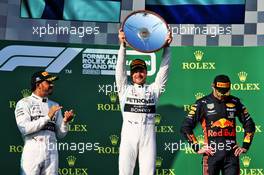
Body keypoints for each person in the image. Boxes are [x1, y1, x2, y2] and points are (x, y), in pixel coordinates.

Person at [116, 29, 172, 175]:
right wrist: (122, 46)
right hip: (129, 135)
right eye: (135, 71)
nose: (138, 74)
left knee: (149, 172)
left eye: (141, 71)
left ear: (146, 73)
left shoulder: (154, 89)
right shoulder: (124, 89)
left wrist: (167, 47)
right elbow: (119, 70)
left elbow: (164, 71)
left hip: (148, 135)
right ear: (131, 74)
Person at [181, 74, 256, 175]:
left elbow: (249, 124)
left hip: (231, 157)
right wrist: (196, 147)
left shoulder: (235, 102)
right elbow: (186, 127)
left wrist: (245, 146)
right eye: (220, 91)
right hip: (211, 157)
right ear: (213, 86)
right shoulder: (202, 103)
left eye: (226, 91)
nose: (223, 94)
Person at [15, 70, 74, 175]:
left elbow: (61, 134)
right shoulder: (24, 103)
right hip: (33, 150)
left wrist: (65, 122)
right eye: (48, 82)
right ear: (38, 85)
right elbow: (25, 129)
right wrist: (47, 117)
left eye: (52, 82)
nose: (52, 85)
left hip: (52, 151)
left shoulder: (54, 105)